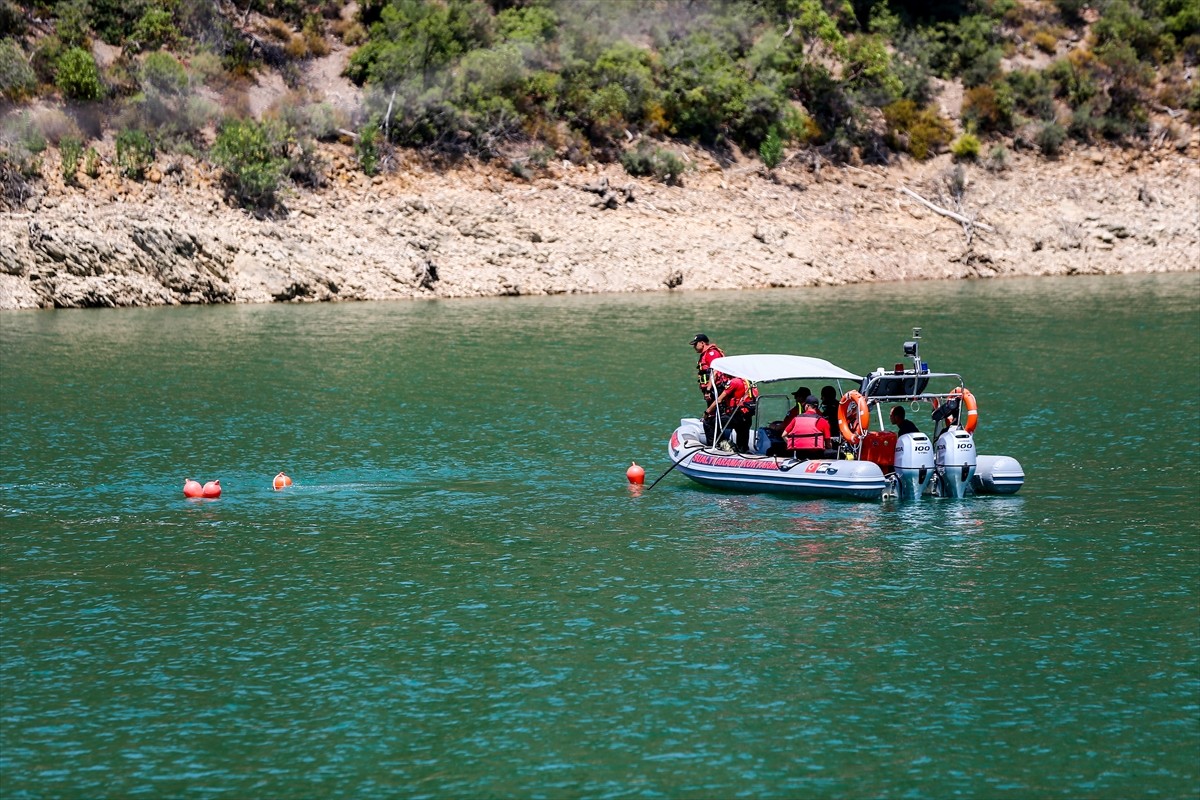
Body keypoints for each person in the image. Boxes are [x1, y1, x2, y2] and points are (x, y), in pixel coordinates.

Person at [705, 373, 758, 452]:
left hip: (735, 416)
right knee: (742, 440)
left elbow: (719, 400)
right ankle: (743, 450)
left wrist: (707, 412)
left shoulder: (734, 382)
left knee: (708, 422)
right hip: (747, 417)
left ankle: (716, 446)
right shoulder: (749, 381)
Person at [782, 395, 831, 460]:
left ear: (807, 406)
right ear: (817, 407)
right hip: (817, 456)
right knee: (837, 454)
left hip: (800, 455)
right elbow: (828, 444)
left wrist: (792, 443)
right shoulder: (823, 421)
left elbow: (783, 435)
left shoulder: (796, 419)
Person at [689, 333, 725, 407]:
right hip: (710, 389)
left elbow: (715, 372)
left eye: (695, 344)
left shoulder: (711, 353)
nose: (694, 347)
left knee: (716, 411)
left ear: (702, 343)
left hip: (716, 388)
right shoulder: (704, 354)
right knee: (711, 412)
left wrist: (708, 389)